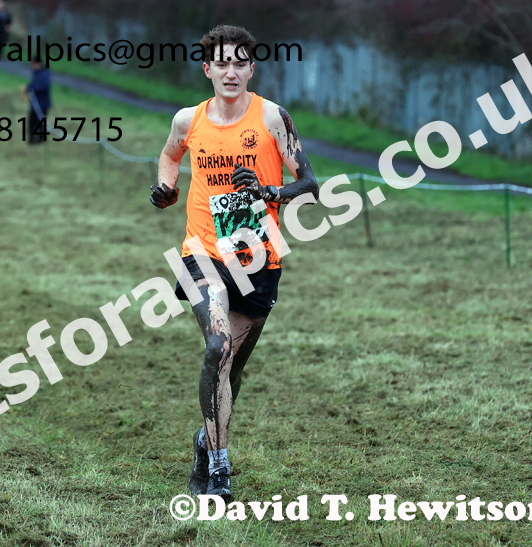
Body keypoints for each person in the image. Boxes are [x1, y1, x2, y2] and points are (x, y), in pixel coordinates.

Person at [150, 25, 319, 502]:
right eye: (220, 63)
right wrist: (167, 189)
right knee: (216, 347)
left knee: (232, 368)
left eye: (238, 62)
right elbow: (169, 155)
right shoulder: (188, 120)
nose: (230, 70)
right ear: (207, 70)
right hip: (201, 252)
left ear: (251, 68)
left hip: (257, 259)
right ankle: (219, 475)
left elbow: (309, 182)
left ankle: (207, 442)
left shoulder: (271, 118)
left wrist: (273, 193)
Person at [21, 56, 51, 144]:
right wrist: (28, 89)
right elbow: (32, 84)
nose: (32, 66)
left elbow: (44, 87)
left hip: (43, 104)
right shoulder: (35, 73)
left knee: (40, 123)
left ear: (39, 63)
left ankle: (41, 141)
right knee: (31, 122)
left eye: (34, 64)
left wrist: (32, 89)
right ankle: (31, 140)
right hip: (35, 103)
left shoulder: (45, 74)